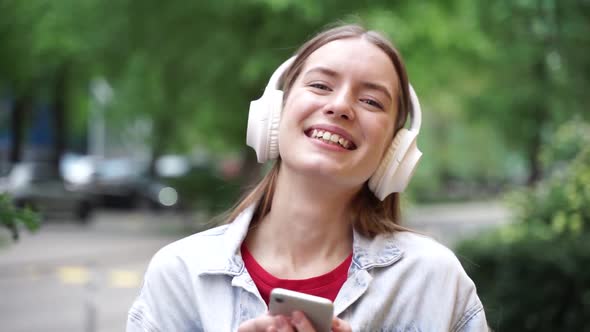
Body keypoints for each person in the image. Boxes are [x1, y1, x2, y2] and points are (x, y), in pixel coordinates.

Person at [126, 24, 488, 332]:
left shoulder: (433, 280)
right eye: (319, 86)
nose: (340, 106)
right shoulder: (180, 274)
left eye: (371, 102)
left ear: (396, 152)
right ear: (274, 114)